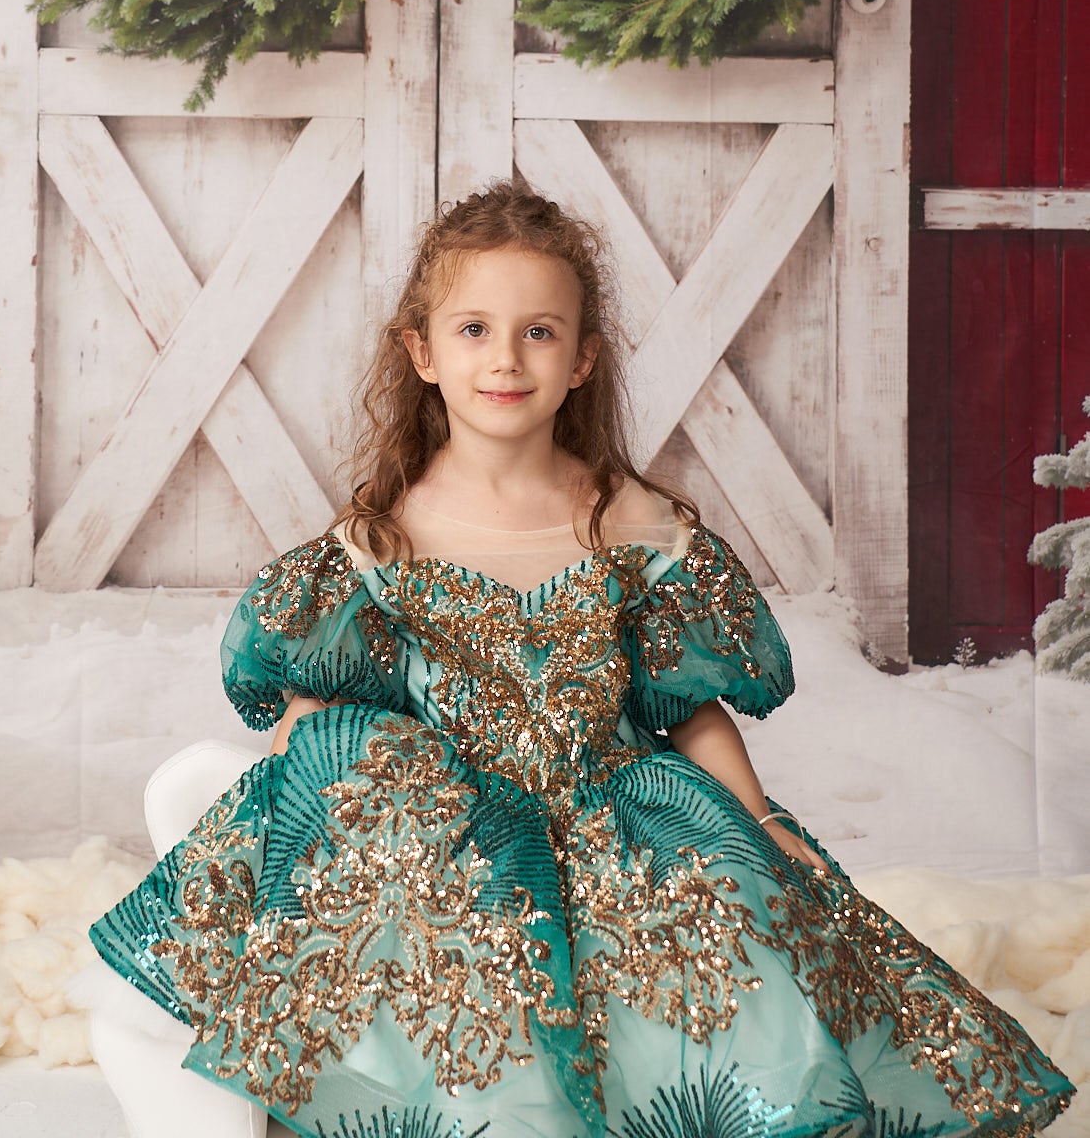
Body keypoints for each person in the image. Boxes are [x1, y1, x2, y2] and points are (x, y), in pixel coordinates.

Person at [90, 181, 1075, 1138]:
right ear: (421, 351)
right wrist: (311, 804)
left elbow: (688, 710)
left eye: (539, 330)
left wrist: (764, 823)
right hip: (456, 847)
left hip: (618, 818)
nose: (505, 357)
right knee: (398, 872)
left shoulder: (638, 524)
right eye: (473, 328)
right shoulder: (378, 541)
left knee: (743, 970)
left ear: (581, 358)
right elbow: (314, 705)